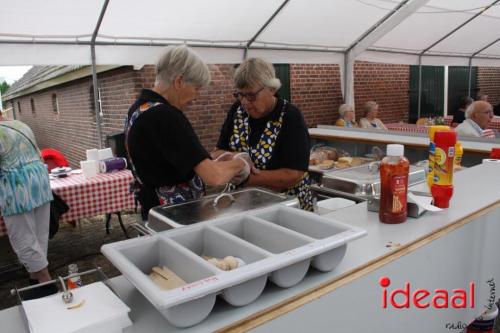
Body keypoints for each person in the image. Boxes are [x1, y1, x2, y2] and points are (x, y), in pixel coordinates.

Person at [125, 45, 249, 218]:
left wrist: (214, 161)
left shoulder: (139, 109)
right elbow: (214, 177)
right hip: (177, 216)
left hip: (154, 211)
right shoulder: (166, 115)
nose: (196, 97)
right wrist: (241, 163)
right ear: (179, 81)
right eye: (196, 88)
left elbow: (170, 160)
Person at [212, 58, 313, 211]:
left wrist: (245, 177)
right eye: (240, 95)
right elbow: (217, 152)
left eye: (251, 95)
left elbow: (293, 173)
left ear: (271, 89)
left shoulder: (289, 116)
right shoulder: (237, 111)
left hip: (285, 205)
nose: (245, 102)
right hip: (244, 204)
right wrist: (238, 159)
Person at [0, 118, 57, 297]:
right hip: (39, 181)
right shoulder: (20, 124)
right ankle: (35, 281)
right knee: (39, 236)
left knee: (23, 239)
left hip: (16, 187)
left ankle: (47, 284)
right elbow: (38, 154)